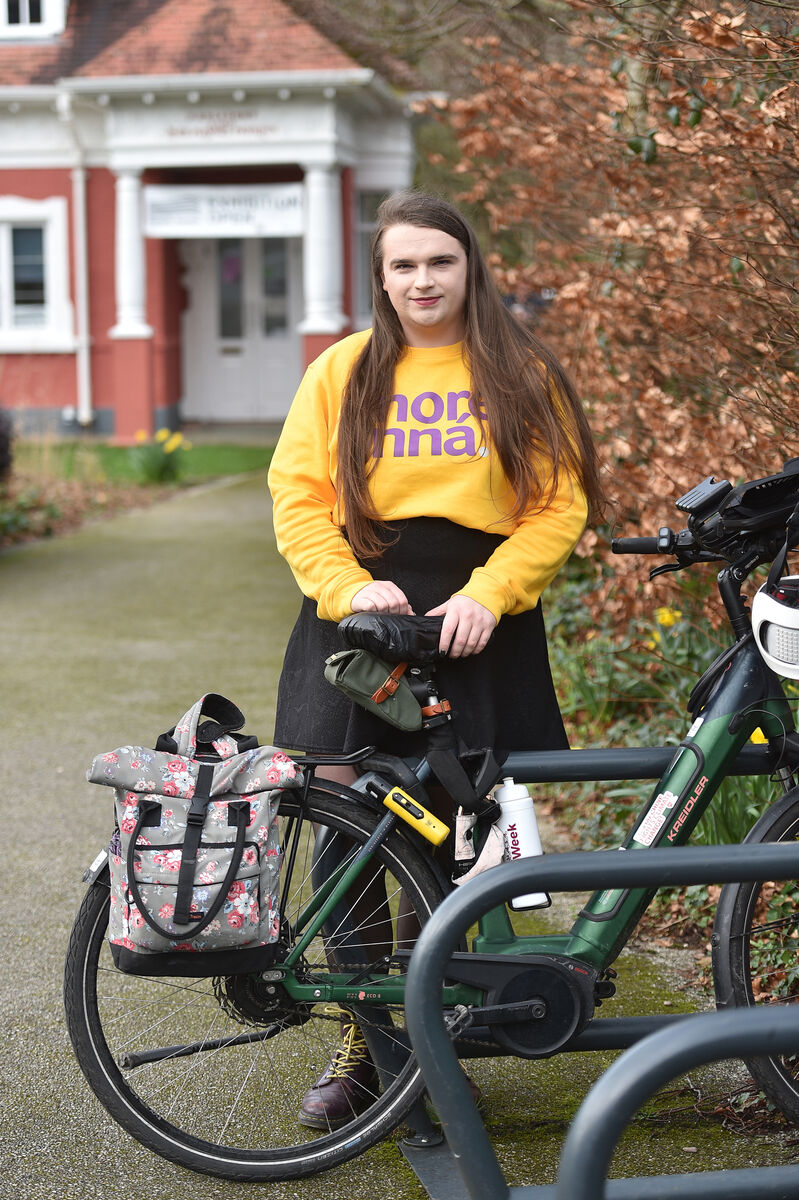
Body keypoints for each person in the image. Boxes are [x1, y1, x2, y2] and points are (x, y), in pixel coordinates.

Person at [268, 189, 603, 1128]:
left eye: (439, 262)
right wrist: (347, 588)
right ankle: (366, 1045)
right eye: (404, 265)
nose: (423, 280)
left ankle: (427, 1044)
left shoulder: (518, 372)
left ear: (469, 268)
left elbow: (558, 505)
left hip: (473, 618)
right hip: (361, 616)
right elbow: (298, 497)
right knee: (344, 824)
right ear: (380, 278)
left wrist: (490, 595)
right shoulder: (342, 371)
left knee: (441, 837)